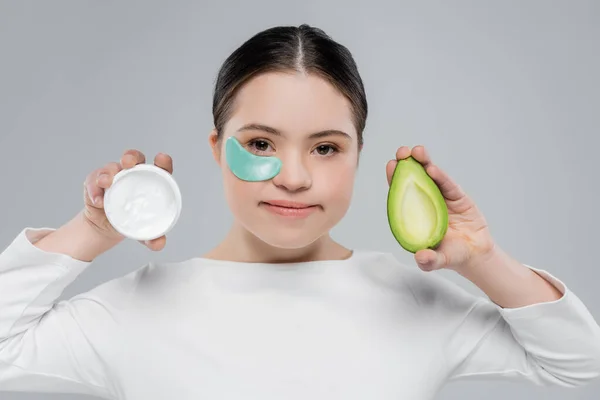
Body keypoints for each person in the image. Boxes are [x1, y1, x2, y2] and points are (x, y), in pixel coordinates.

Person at [1, 24, 599, 400]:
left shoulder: (412, 300)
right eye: (260, 143)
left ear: (359, 155)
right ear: (216, 149)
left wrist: (485, 261)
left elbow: (582, 365)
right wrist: (93, 229)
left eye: (325, 147)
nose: (292, 176)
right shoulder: (133, 307)